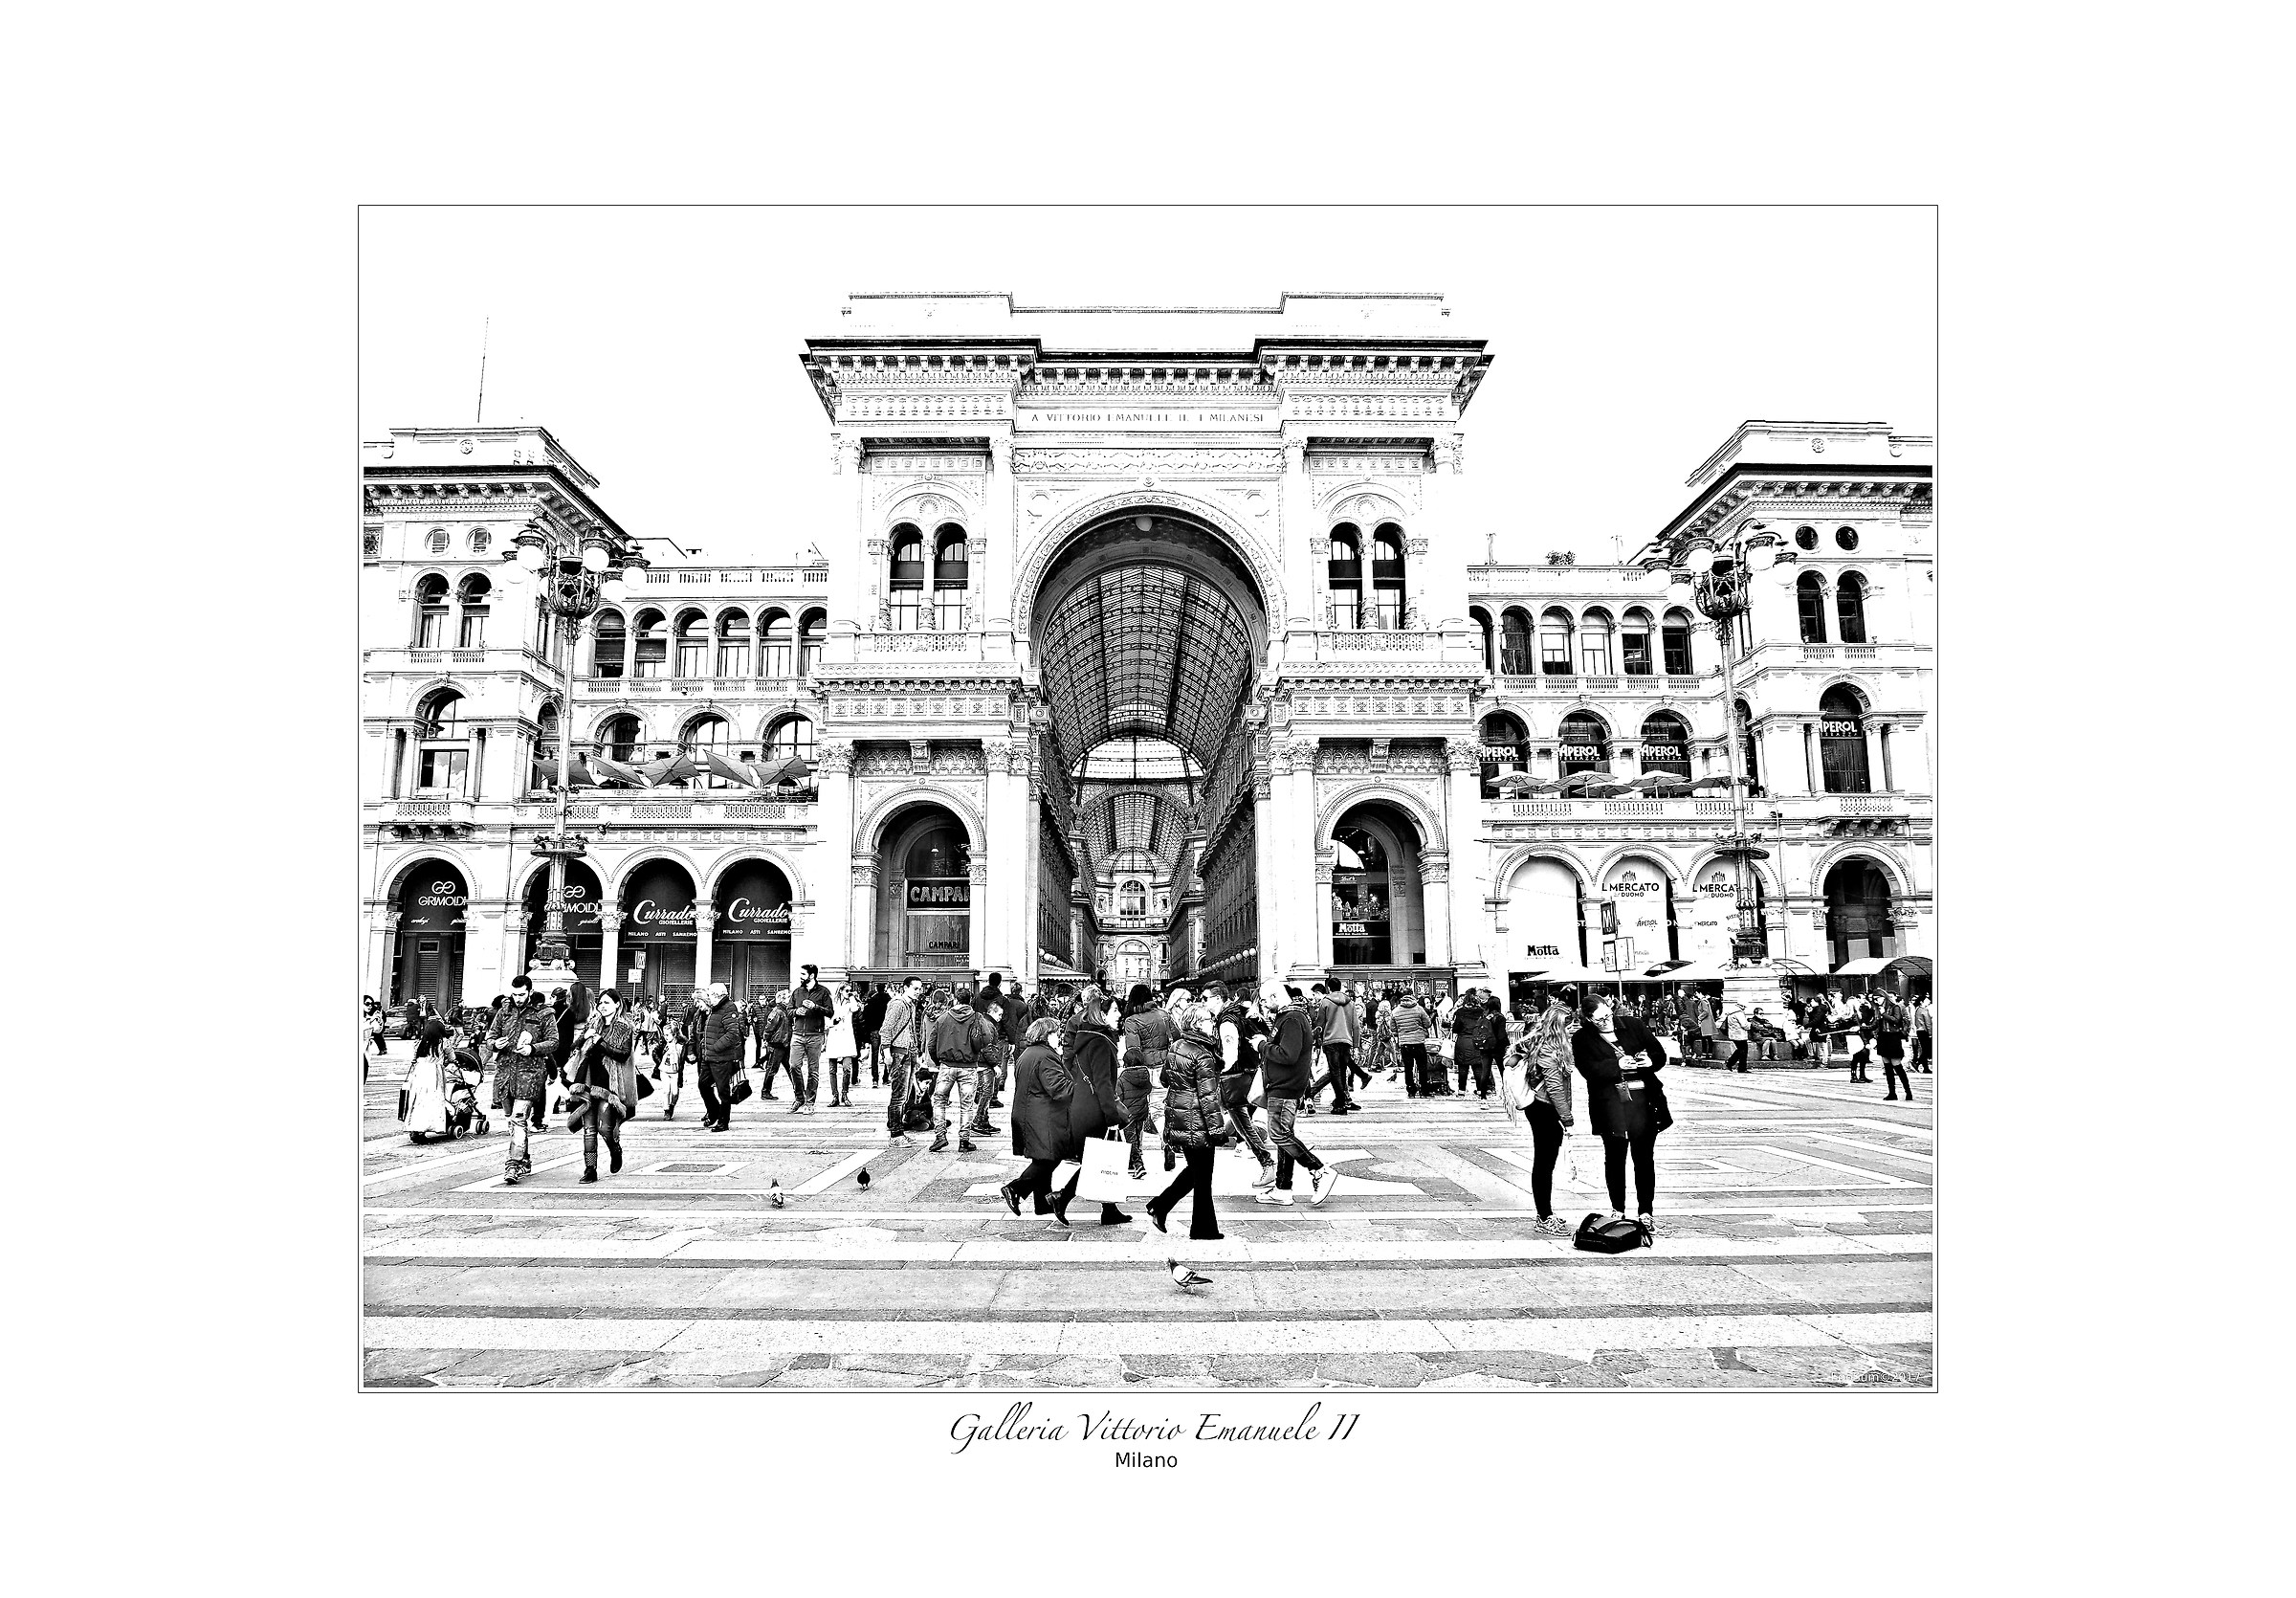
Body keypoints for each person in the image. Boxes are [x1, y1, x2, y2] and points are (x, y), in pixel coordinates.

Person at [1572, 991, 1671, 1234]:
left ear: (1610, 1007)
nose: (1606, 1021)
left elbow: (1659, 1054)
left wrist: (1649, 1061)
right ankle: (1618, 1209)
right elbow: (1588, 1070)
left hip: (1644, 1102)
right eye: (1599, 1020)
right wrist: (1616, 1066)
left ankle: (1645, 1212)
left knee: (1644, 1158)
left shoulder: (1634, 1025)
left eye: (1607, 1015)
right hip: (1610, 1105)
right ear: (1588, 1019)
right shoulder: (1583, 1037)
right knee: (1615, 1158)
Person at [1144, 1007, 1228, 1289]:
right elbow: (1208, 1098)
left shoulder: (1178, 1046)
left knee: (1196, 1173)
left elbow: (1165, 1080)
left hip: (1179, 1117)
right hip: (1198, 1123)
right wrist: (1217, 1131)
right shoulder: (1203, 1055)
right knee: (1202, 1176)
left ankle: (1162, 1206)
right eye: (1206, 1019)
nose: (1211, 1023)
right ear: (1195, 1023)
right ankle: (1201, 1227)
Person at [1255, 981, 1336, 1206]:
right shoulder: (1289, 1017)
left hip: (1285, 1087)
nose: (1263, 1005)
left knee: (1279, 1135)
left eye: (1264, 1000)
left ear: (1274, 997)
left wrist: (1262, 1046)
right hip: (1285, 1086)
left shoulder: (1291, 1019)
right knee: (1284, 1136)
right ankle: (1283, 1188)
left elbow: (1288, 1055)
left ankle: (1319, 1169)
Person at [1000, 1016, 1076, 1220]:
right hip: (1043, 1116)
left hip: (1029, 1113)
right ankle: (1016, 1189)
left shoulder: (1027, 1054)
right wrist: (1077, 1084)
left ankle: (1042, 1203)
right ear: (1046, 1035)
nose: (1058, 1037)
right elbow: (1059, 1089)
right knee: (1052, 1157)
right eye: (1055, 1033)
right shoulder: (1046, 1056)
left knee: (1043, 1157)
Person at [1515, 989, 1578, 1235]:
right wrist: (1567, 1118)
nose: (1572, 1029)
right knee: (1544, 1163)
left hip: (1541, 1108)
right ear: (1558, 1027)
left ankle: (1546, 1213)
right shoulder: (1551, 1051)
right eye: (1569, 1025)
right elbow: (1554, 1087)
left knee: (1545, 1163)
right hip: (1545, 1109)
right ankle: (1544, 1216)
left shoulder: (1545, 1044)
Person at [1208, 982, 1276, 1190]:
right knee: (1241, 1122)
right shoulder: (1238, 1011)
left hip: (1234, 1079)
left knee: (1241, 1122)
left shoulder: (1226, 1020)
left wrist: (1219, 1070)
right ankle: (1270, 1163)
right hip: (1247, 1073)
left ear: (1218, 998)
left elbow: (1230, 1053)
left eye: (1206, 998)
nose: (1204, 1002)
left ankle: (1271, 1163)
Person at [566, 988, 639, 1182]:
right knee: (588, 1128)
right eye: (600, 1003)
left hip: (609, 1082)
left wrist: (599, 1041)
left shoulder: (624, 1027)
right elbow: (574, 1048)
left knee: (604, 1127)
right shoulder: (593, 1023)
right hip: (588, 1079)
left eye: (607, 1002)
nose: (602, 1006)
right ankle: (590, 1169)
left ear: (617, 1004)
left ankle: (615, 1148)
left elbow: (622, 1054)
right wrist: (584, 1037)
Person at [491, 978, 559, 1184]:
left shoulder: (543, 1013)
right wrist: (495, 1043)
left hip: (529, 1075)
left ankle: (513, 1165)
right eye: (515, 994)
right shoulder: (504, 1011)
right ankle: (525, 1159)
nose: (517, 999)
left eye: (521, 994)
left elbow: (554, 1042)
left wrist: (533, 1048)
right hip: (505, 1074)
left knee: (519, 1119)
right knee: (512, 1122)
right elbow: (491, 1035)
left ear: (529, 992)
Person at [927, 984, 996, 1154]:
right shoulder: (977, 1018)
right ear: (970, 1002)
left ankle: (940, 1136)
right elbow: (987, 1040)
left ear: (956, 1000)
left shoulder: (942, 1018)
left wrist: (938, 1061)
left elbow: (931, 1044)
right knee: (966, 1105)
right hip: (968, 1067)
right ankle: (964, 1141)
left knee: (940, 1100)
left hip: (947, 1066)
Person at [1116, 984, 1174, 1182]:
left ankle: (1136, 1157)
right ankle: (1167, 1142)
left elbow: (1134, 1050)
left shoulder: (1131, 1021)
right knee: (1159, 1109)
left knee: (1135, 1110)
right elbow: (1176, 1039)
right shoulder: (1164, 1015)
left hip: (1144, 1070)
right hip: (1164, 1069)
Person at [878, 974, 928, 1146]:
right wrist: (886, 1053)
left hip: (908, 1053)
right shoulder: (898, 1004)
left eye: (920, 989)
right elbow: (886, 1029)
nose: (918, 992)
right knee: (899, 1096)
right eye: (915, 988)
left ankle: (897, 1129)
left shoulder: (910, 1005)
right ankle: (895, 1135)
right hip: (898, 1054)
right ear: (905, 987)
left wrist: (917, 1053)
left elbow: (912, 1031)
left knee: (904, 1095)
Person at [693, 983, 746, 1132]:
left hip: (721, 1058)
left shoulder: (728, 1008)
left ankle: (723, 1121)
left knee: (723, 1091)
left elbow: (733, 1034)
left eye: (709, 995)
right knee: (703, 1085)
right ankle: (714, 1110)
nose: (708, 998)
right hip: (708, 1057)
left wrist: (716, 1047)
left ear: (717, 995)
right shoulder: (715, 1009)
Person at [785, 964, 832, 1113]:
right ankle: (799, 1098)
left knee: (813, 1070)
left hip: (815, 1035)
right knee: (793, 1066)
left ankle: (810, 1102)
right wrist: (796, 1011)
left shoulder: (824, 992)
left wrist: (815, 1007)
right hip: (798, 1034)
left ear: (812, 976)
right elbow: (788, 1010)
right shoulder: (797, 992)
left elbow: (830, 1012)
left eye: (803, 974)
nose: (801, 977)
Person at [1310, 981, 1359, 1113]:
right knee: (1342, 1072)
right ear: (1340, 987)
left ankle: (1340, 1103)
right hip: (1346, 1041)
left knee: (1334, 1072)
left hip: (1330, 1041)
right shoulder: (1351, 1003)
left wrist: (1317, 1038)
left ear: (1329, 988)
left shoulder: (1325, 1002)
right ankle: (1342, 1101)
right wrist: (1356, 1045)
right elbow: (1356, 1026)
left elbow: (1320, 1024)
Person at [1451, 987, 1497, 1102]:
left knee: (1463, 1067)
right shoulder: (1482, 1012)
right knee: (1478, 1067)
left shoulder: (1460, 1012)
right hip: (1478, 1041)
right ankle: (1481, 1090)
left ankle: (1461, 1091)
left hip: (1463, 1041)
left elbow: (1455, 1029)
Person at [1388, 988, 1433, 1098]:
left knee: (1408, 1068)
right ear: (1412, 995)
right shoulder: (1419, 1009)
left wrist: (1401, 1033)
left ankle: (1411, 1090)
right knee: (1422, 1067)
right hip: (1418, 1042)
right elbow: (1428, 1024)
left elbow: (1393, 1029)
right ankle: (1424, 1090)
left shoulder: (1396, 1011)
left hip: (1405, 1043)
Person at [824, 984, 860, 1107]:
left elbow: (855, 1009)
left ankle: (845, 1094)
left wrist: (852, 997)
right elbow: (826, 1020)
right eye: (846, 991)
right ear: (840, 991)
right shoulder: (832, 1003)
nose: (848, 992)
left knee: (847, 1068)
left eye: (850, 990)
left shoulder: (850, 1002)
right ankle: (835, 1096)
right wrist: (834, 1021)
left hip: (846, 1037)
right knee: (832, 1070)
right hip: (834, 1036)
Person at [1875, 995, 1915, 1101]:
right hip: (1883, 1038)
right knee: (1887, 1067)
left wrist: (1884, 1013)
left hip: (1893, 1037)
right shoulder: (1878, 1009)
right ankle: (1892, 1093)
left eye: (1878, 998)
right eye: (1875, 999)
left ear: (1884, 997)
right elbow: (1876, 1025)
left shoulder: (1894, 1007)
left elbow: (1896, 1021)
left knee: (1897, 1066)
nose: (1877, 1000)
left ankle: (1908, 1092)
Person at [859, 982, 890, 1089]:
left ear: (876, 988)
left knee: (874, 1055)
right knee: (887, 1054)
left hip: (874, 1030)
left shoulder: (872, 1001)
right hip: (886, 1031)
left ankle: (875, 1079)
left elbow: (865, 1016)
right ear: (885, 988)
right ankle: (886, 1077)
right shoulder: (889, 1000)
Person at [1722, 1005, 1751, 1073]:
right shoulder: (1739, 1013)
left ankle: (1730, 1063)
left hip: (1733, 1034)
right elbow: (1744, 1025)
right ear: (1742, 1006)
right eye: (1744, 1007)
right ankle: (1740, 1067)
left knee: (1740, 1050)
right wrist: (1749, 1025)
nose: (1744, 1008)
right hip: (1740, 1035)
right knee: (1743, 1050)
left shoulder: (1731, 1012)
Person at [1912, 994, 1934, 1072]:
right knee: (1927, 1050)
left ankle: (1925, 1068)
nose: (1928, 1001)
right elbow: (1928, 1023)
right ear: (1922, 1002)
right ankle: (1917, 1062)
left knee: (1924, 1049)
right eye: (1926, 1000)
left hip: (1919, 1030)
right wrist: (1931, 1033)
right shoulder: (1924, 1010)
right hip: (1924, 1031)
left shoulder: (1918, 1010)